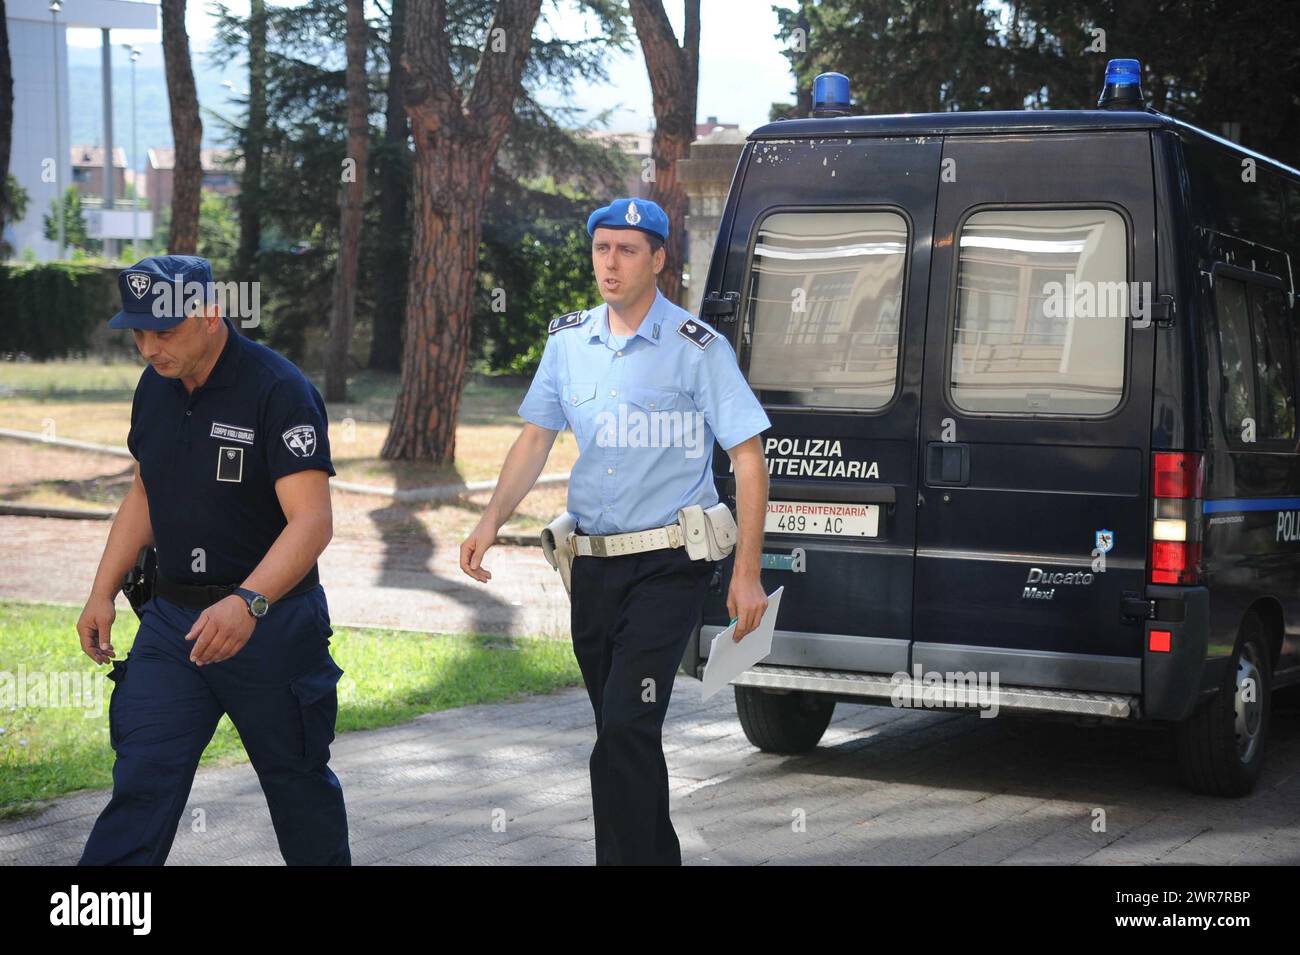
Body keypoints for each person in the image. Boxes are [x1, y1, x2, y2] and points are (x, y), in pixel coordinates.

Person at [460, 198, 772, 865]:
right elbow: (536, 436)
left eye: (628, 249)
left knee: (627, 724)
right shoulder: (569, 342)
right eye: (602, 247)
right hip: (593, 567)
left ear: (659, 259)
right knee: (621, 732)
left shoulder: (697, 348)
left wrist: (746, 573)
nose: (611, 261)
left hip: (669, 565)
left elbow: (748, 457)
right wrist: (490, 520)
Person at [76, 255, 349, 865]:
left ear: (210, 314)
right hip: (173, 625)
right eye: (138, 333)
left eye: (164, 331)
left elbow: (313, 521)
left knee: (298, 787)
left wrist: (247, 602)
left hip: (271, 626)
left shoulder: (278, 390)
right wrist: (101, 592)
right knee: (141, 782)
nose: (149, 348)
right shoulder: (155, 388)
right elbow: (145, 492)